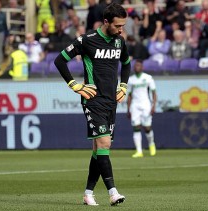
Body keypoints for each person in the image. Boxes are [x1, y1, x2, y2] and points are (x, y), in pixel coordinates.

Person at [54, 2, 130, 206]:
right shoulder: (87, 40)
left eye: (123, 25)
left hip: (111, 101)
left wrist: (123, 86)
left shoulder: (119, 41)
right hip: (93, 100)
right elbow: (60, 60)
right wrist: (74, 85)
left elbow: (127, 64)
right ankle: (113, 192)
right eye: (118, 26)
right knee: (104, 143)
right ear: (106, 22)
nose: (121, 29)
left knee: (100, 149)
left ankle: (88, 193)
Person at [127, 59, 157, 158]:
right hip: (135, 105)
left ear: (142, 67)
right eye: (135, 66)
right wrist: (128, 109)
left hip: (146, 104)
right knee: (136, 127)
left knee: (147, 127)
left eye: (139, 66)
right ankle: (139, 151)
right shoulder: (131, 80)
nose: (137, 67)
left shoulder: (148, 78)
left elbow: (153, 92)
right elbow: (130, 95)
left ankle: (151, 144)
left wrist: (153, 106)